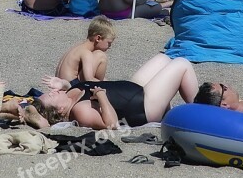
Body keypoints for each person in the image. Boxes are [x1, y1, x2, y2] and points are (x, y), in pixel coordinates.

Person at [29, 54, 197, 129]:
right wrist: (101, 96)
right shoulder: (80, 111)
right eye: (51, 96)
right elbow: (112, 125)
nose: (52, 92)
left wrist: (65, 84)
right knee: (182, 64)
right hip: (143, 106)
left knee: (163, 58)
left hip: (134, 89)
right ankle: (203, 113)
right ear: (60, 109)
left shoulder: (70, 95)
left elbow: (82, 87)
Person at [54, 17, 116, 84]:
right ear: (98, 38)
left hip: (60, 83)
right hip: (71, 86)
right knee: (100, 55)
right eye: (109, 43)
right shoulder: (86, 53)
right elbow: (89, 79)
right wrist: (109, 86)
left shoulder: (78, 47)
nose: (110, 47)